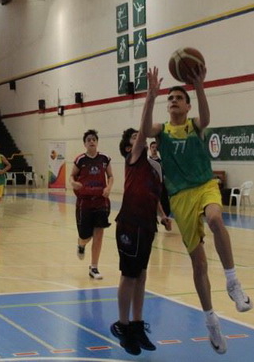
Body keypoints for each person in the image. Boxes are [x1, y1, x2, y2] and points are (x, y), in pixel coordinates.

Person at [144, 63, 252, 355]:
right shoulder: (162, 131)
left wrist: (200, 85)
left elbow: (206, 117)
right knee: (199, 264)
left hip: (205, 185)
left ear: (187, 105)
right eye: (170, 98)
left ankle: (232, 282)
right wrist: (151, 96)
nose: (174, 101)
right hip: (180, 197)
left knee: (216, 218)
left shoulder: (194, 125)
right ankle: (211, 321)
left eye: (179, 98)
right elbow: (144, 130)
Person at [111, 67, 172, 355]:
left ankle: (136, 323)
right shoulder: (133, 157)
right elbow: (143, 126)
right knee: (129, 275)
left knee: (142, 274)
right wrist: (151, 96)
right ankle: (123, 325)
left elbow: (153, 194)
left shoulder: (154, 165)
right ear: (129, 147)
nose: (143, 138)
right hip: (130, 223)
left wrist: (162, 215)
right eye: (137, 137)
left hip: (147, 224)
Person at [70, 129, 114, 280]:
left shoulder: (105, 158)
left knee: (99, 234)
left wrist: (108, 188)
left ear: (97, 142)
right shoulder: (80, 160)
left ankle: (94, 267)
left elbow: (111, 176)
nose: (91, 141)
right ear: (85, 143)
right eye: (88, 140)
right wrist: (73, 183)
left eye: (94, 139)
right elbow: (71, 176)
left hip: (101, 201)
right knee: (86, 236)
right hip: (84, 202)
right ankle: (81, 244)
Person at [149, 140, 171, 222]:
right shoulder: (147, 161)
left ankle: (165, 218)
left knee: (164, 202)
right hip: (151, 186)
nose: (154, 149)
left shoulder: (162, 161)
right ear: (150, 149)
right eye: (152, 147)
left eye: (156, 147)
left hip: (162, 185)